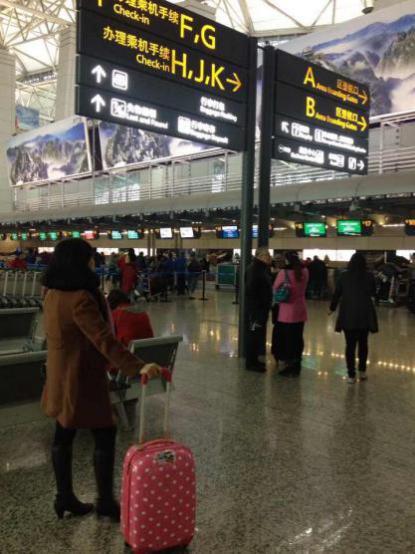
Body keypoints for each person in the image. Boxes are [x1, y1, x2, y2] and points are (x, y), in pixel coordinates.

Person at [41, 239, 160, 522]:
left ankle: (64, 496)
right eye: (90, 258)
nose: (94, 262)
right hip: (81, 377)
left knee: (63, 434)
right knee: (105, 433)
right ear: (80, 262)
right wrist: (137, 367)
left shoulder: (51, 294)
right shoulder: (81, 298)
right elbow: (103, 339)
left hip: (59, 374)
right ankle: (105, 502)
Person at [329, 253, 378, 384]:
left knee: (350, 345)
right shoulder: (369, 276)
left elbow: (337, 294)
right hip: (365, 314)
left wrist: (332, 308)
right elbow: (373, 292)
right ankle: (362, 371)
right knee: (363, 344)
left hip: (348, 313)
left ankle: (351, 375)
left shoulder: (343, 276)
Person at [272, 251, 309, 377]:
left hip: (286, 312)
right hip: (300, 309)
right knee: (298, 338)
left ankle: (289, 365)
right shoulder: (305, 271)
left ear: (287, 261)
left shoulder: (284, 273)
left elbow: (275, 288)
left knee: (288, 340)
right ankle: (297, 364)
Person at [245, 248, 272, 372]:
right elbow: (252, 289)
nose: (269, 257)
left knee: (257, 335)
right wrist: (258, 306)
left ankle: (254, 360)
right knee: (254, 335)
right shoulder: (255, 269)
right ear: (260, 256)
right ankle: (251, 363)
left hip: (260, 308)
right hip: (256, 309)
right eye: (267, 255)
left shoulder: (261, 269)